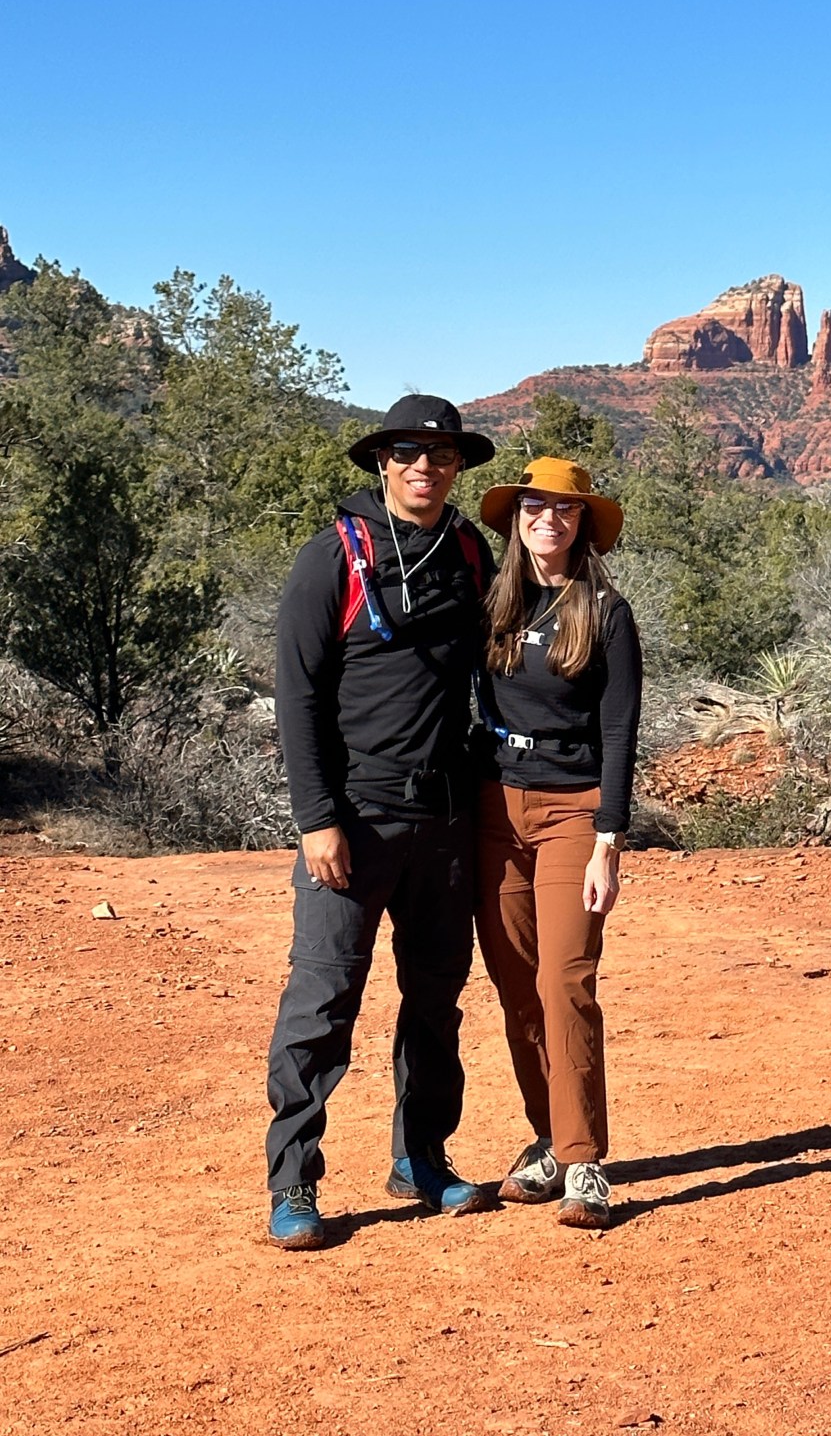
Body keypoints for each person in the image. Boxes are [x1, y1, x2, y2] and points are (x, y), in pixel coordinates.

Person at [265, 394, 497, 1250]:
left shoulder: (471, 553)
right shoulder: (332, 558)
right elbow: (297, 698)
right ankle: (293, 1181)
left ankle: (422, 1160)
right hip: (355, 820)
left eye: (439, 455)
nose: (423, 467)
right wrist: (316, 819)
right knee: (322, 1001)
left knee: (435, 1001)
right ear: (381, 462)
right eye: (407, 453)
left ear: (458, 467)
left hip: (443, 821)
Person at [474, 456, 642, 1230]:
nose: (549, 519)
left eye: (565, 509)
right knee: (517, 988)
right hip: (494, 811)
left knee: (565, 980)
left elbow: (618, 734)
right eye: (535, 506)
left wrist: (610, 837)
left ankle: (583, 1164)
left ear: (583, 524)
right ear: (517, 518)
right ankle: (547, 1137)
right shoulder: (494, 606)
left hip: (575, 811)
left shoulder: (605, 613)